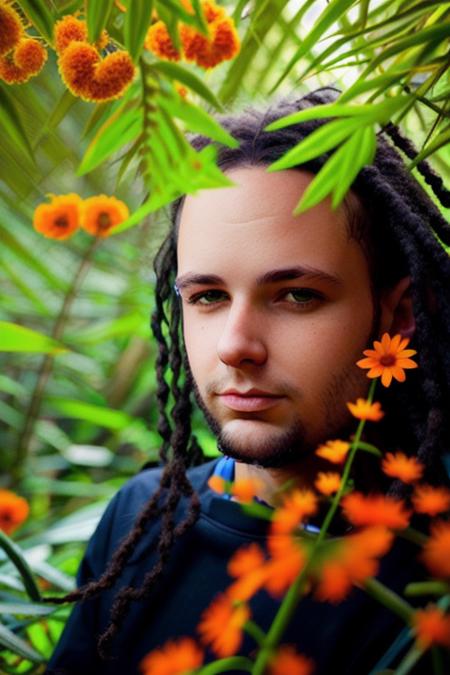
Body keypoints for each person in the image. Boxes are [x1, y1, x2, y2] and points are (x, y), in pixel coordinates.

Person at [46, 89, 450, 674]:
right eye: (208, 296)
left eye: (297, 295)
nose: (236, 345)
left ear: (400, 315)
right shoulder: (139, 521)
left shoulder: (432, 565)